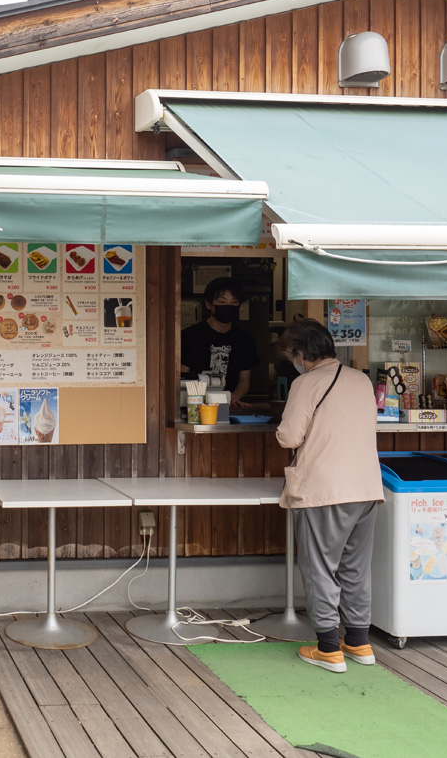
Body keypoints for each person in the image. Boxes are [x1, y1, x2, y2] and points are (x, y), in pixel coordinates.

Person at [275, 320, 383, 673]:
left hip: (324, 489)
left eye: (293, 356)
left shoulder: (306, 383)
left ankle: (327, 648)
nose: (294, 361)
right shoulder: (361, 380)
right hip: (366, 487)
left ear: (301, 354)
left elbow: (289, 437)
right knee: (355, 568)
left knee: (320, 567)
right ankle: (358, 642)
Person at [180, 276, 259, 407]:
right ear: (208, 304)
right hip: (194, 406)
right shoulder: (190, 336)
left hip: (228, 407)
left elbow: (244, 380)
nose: (228, 306)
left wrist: (232, 398)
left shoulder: (245, 339)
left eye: (234, 303)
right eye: (222, 302)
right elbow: (182, 376)